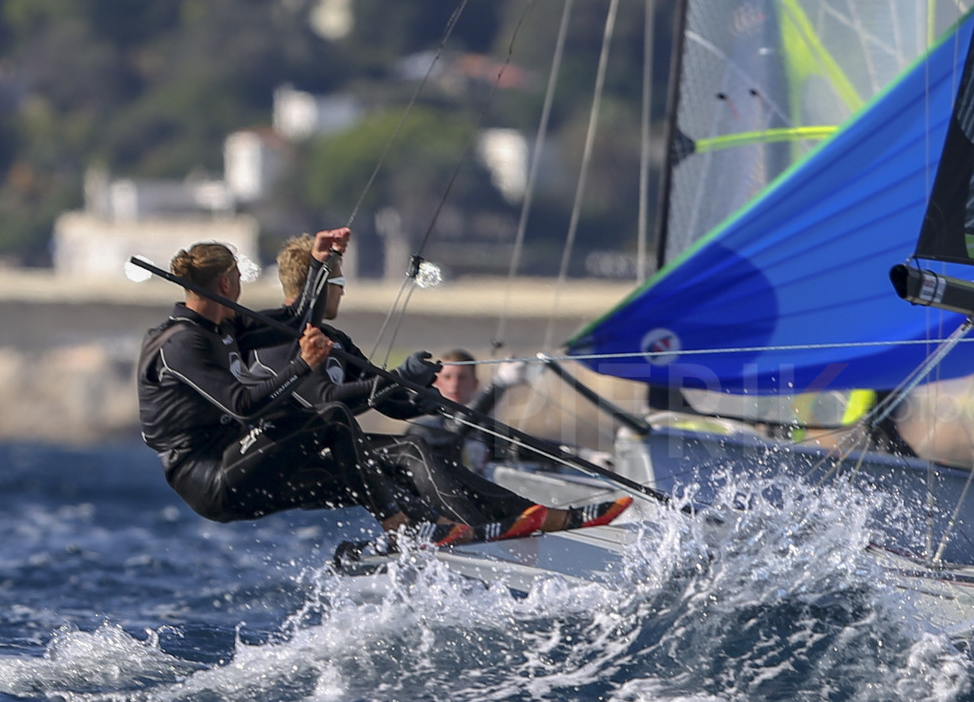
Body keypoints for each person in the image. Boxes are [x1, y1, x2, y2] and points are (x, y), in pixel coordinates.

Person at [138, 233, 627, 546]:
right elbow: (243, 404)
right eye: (240, 279)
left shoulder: (224, 328)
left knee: (405, 453)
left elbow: (295, 320)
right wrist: (302, 365)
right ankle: (403, 525)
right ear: (228, 283)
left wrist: (321, 261)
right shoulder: (181, 344)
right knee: (332, 422)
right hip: (207, 476)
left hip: (247, 463)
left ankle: (515, 518)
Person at [406, 349, 531, 472]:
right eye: (447, 377)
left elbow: (520, 448)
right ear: (436, 383)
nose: (454, 384)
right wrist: (499, 383)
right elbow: (454, 431)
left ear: (475, 384)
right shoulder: (424, 426)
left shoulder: (485, 430)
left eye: (462, 378)